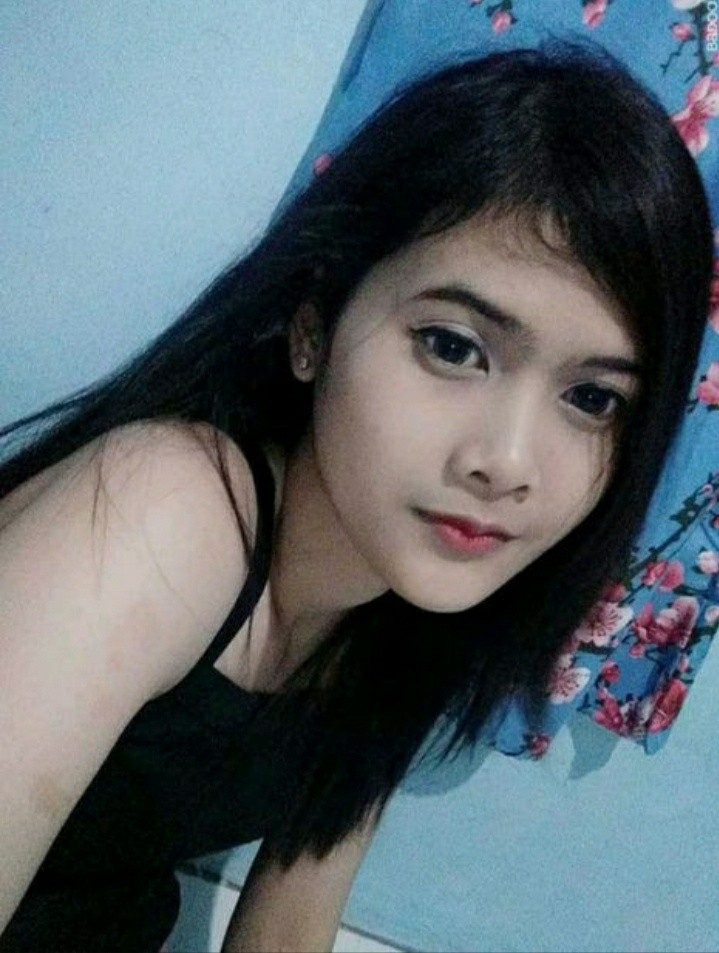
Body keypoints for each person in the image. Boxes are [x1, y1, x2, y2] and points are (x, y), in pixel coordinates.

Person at [0, 39, 714, 953]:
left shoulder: (410, 610)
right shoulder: (165, 510)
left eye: (591, 398)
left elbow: (288, 925)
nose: (507, 461)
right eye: (452, 347)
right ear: (313, 328)